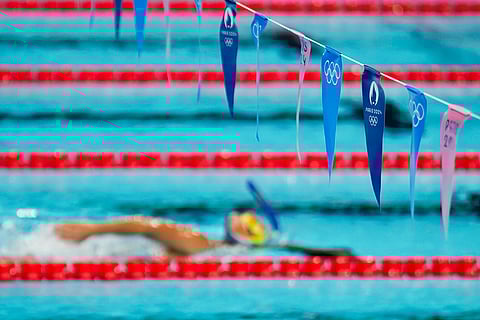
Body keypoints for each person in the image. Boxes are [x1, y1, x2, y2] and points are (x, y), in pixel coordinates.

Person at [54, 208, 354, 257]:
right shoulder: (203, 246)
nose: (243, 216)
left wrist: (89, 230)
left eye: (248, 223)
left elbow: (144, 225)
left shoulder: (197, 243)